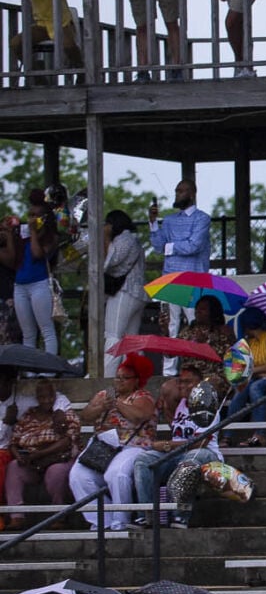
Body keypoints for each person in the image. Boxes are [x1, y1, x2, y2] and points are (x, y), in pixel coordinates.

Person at [70, 354, 157, 531]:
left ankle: (121, 520)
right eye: (118, 377)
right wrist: (101, 407)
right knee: (78, 476)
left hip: (132, 446)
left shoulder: (143, 396)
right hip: (103, 446)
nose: (120, 381)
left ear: (136, 380)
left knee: (116, 474)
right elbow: (85, 416)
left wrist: (117, 404)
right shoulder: (104, 395)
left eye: (125, 378)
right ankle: (103, 521)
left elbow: (139, 416)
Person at [131, 379, 226, 530]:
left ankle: (180, 516)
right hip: (178, 454)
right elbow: (179, 427)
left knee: (190, 459)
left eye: (187, 381)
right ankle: (146, 515)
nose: (181, 385)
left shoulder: (207, 406)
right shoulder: (181, 404)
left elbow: (200, 442)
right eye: (180, 382)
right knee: (144, 460)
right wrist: (165, 406)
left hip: (206, 455)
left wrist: (167, 445)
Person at [149, 179, 213, 356]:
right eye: (176, 191)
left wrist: (170, 247)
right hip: (170, 277)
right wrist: (153, 223)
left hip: (193, 278)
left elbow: (194, 245)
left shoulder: (202, 218)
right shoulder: (169, 220)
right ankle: (169, 371)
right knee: (171, 323)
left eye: (181, 191)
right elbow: (157, 246)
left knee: (195, 321)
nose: (177, 194)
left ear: (192, 193)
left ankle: (196, 362)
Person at [4, 378, 77, 528]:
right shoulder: (28, 416)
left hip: (57, 459)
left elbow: (67, 441)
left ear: (55, 397)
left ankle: (60, 515)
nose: (47, 401)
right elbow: (13, 442)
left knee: (55, 472)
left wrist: (41, 454)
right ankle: (16, 516)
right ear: (37, 399)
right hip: (32, 462)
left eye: (50, 397)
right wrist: (20, 457)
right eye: (42, 397)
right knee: (13, 466)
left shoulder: (62, 414)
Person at [5, 199, 59, 355]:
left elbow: (37, 254)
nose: (31, 219)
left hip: (39, 284)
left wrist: (34, 232)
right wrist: (10, 234)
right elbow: (11, 259)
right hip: (20, 285)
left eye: (35, 215)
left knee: (46, 330)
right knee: (28, 333)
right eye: (30, 215)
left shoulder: (51, 237)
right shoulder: (22, 235)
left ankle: (49, 370)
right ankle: (30, 370)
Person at [225, 306, 266, 447]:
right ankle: (228, 435)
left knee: (255, 389)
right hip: (257, 376)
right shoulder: (249, 342)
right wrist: (255, 371)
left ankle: (260, 434)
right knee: (240, 390)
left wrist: (254, 371)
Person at [97, 209, 148, 375]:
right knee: (132, 341)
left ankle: (105, 377)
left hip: (126, 292)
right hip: (136, 294)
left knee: (113, 335)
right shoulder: (132, 239)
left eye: (107, 224)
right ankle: (135, 376)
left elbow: (111, 260)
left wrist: (104, 238)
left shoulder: (125, 238)